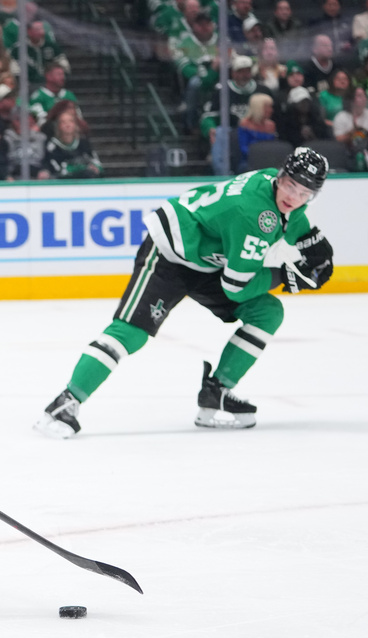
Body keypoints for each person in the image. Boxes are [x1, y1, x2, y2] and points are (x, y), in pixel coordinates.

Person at [35, 147, 335, 438]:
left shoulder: (271, 186)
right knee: (132, 332)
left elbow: (290, 219)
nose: (294, 196)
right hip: (171, 252)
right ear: (281, 176)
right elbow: (236, 288)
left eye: (304, 193)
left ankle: (215, 392)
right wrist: (286, 277)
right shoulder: (252, 216)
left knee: (267, 312)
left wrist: (311, 241)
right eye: (291, 185)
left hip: (205, 256)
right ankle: (65, 402)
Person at [39, 99, 102, 179]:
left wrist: (96, 168)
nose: (67, 125)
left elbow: (96, 162)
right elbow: (56, 170)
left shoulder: (84, 143)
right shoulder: (52, 146)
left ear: (75, 125)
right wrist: (80, 169)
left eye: (70, 121)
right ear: (58, 126)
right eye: (63, 122)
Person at [237, 92, 278, 171]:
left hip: (269, 159)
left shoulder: (271, 125)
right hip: (250, 161)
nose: (271, 110)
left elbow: (274, 146)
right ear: (258, 108)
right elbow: (243, 148)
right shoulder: (244, 124)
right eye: (268, 107)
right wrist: (260, 155)